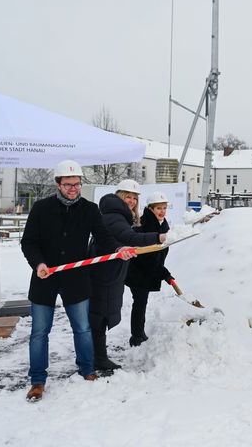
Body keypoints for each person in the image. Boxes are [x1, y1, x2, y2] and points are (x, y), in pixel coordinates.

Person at [20, 160, 135, 402]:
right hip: (45, 278)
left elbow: (104, 237)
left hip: (76, 278)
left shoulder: (90, 209)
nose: (73, 188)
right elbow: (28, 242)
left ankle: (87, 369)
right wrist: (39, 264)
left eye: (77, 184)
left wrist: (118, 249)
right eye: (68, 184)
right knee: (39, 332)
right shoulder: (41, 208)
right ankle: (38, 380)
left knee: (82, 328)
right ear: (58, 184)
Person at [88, 180, 165, 370]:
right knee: (100, 315)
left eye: (134, 198)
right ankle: (98, 358)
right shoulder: (115, 216)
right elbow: (129, 237)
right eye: (128, 197)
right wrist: (158, 237)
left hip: (110, 272)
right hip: (104, 273)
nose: (131, 201)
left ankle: (97, 355)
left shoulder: (120, 215)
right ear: (120, 196)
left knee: (102, 314)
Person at [125, 191, 174, 347]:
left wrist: (162, 270)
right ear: (151, 209)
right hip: (138, 271)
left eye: (164, 208)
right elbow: (146, 256)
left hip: (150, 270)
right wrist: (164, 273)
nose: (162, 211)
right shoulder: (143, 224)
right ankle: (137, 336)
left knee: (141, 302)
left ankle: (139, 333)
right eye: (158, 208)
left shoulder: (163, 225)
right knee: (139, 302)